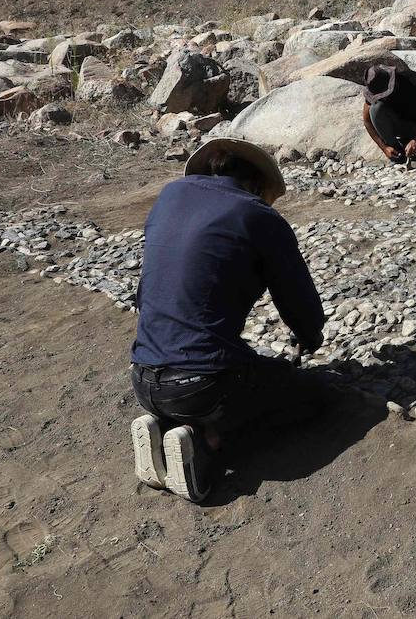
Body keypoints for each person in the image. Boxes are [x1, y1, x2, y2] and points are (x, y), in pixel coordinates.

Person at [129, 138, 327, 502]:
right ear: (257, 185)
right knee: (313, 395)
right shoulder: (258, 215)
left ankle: (163, 422)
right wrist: (309, 337)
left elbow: (145, 296)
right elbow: (299, 303)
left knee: (225, 367)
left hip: (142, 376)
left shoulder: (170, 196)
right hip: (199, 386)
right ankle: (206, 443)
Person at [361, 64, 416, 164]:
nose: (383, 98)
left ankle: (414, 148)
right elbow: (367, 121)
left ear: (394, 82)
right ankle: (397, 150)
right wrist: (384, 147)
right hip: (401, 125)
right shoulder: (374, 90)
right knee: (375, 109)